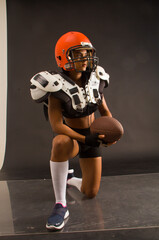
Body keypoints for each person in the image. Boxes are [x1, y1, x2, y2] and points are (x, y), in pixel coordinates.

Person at [30, 31, 115, 231]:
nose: (85, 59)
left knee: (90, 192)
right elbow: (57, 126)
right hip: (71, 138)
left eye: (87, 53)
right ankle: (60, 204)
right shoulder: (55, 86)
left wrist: (110, 134)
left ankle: (70, 179)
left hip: (92, 136)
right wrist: (86, 138)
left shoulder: (96, 79)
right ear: (64, 56)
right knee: (58, 142)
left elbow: (105, 112)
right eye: (78, 54)